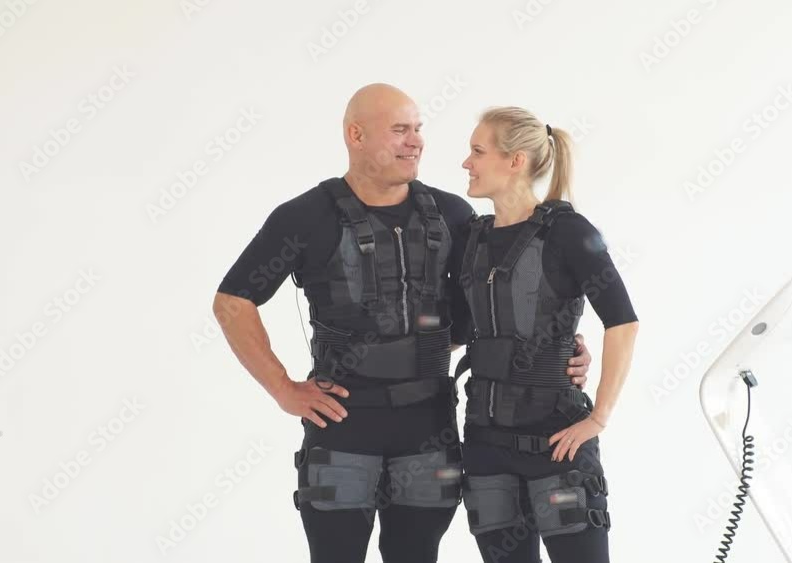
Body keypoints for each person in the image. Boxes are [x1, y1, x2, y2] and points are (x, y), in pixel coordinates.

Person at [211, 84, 592, 563]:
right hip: (342, 425)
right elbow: (232, 301)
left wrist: (562, 350)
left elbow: (498, 302)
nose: (416, 141)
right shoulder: (304, 217)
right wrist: (283, 389)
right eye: (399, 130)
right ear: (356, 136)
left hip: (428, 428)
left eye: (417, 128)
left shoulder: (453, 215)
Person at [455, 106, 640, 563]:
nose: (466, 162)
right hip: (485, 447)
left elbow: (623, 322)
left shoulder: (568, 232)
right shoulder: (471, 239)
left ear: (515, 161)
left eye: (478, 151)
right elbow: (459, 332)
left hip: (558, 443)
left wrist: (598, 418)